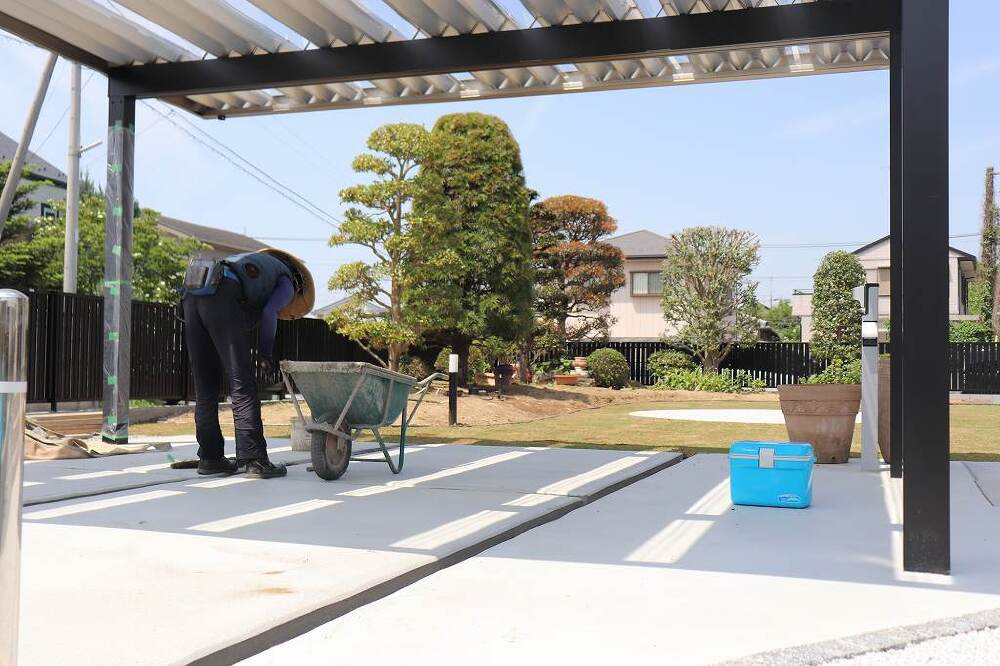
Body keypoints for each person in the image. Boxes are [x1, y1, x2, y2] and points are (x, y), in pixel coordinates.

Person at [182, 249, 314, 478]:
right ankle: (254, 459)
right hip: (221, 293)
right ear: (299, 282)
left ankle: (210, 458)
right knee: (242, 384)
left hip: (192, 296)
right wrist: (265, 354)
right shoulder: (287, 281)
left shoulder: (248, 264)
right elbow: (270, 312)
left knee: (205, 388)